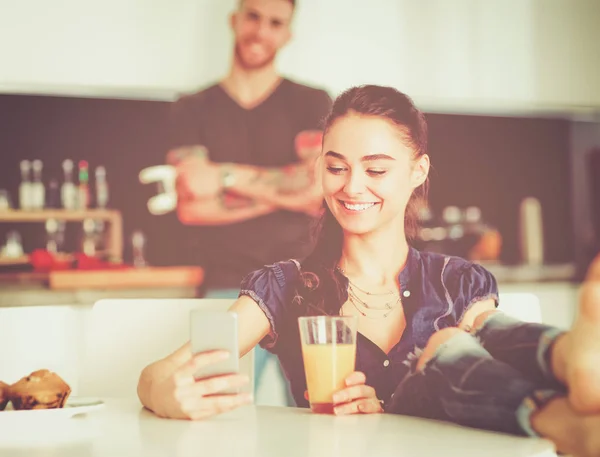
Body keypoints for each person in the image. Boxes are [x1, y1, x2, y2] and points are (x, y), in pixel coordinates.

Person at [140, 84, 600, 457]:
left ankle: (567, 356)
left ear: (418, 172)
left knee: (465, 339)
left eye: (376, 170)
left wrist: (389, 407)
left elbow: (492, 374)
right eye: (336, 167)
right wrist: (164, 394)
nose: (352, 186)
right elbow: (160, 373)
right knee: (447, 345)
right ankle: (557, 398)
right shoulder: (285, 286)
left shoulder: (458, 281)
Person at [166, 0, 332, 404]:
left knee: (322, 419)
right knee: (217, 422)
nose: (261, 30)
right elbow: (192, 205)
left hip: (307, 286)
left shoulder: (312, 102)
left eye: (276, 22)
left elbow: (315, 188)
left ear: (287, 34)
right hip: (228, 286)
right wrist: (287, 194)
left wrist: (225, 177)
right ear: (235, 20)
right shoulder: (191, 107)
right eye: (253, 16)